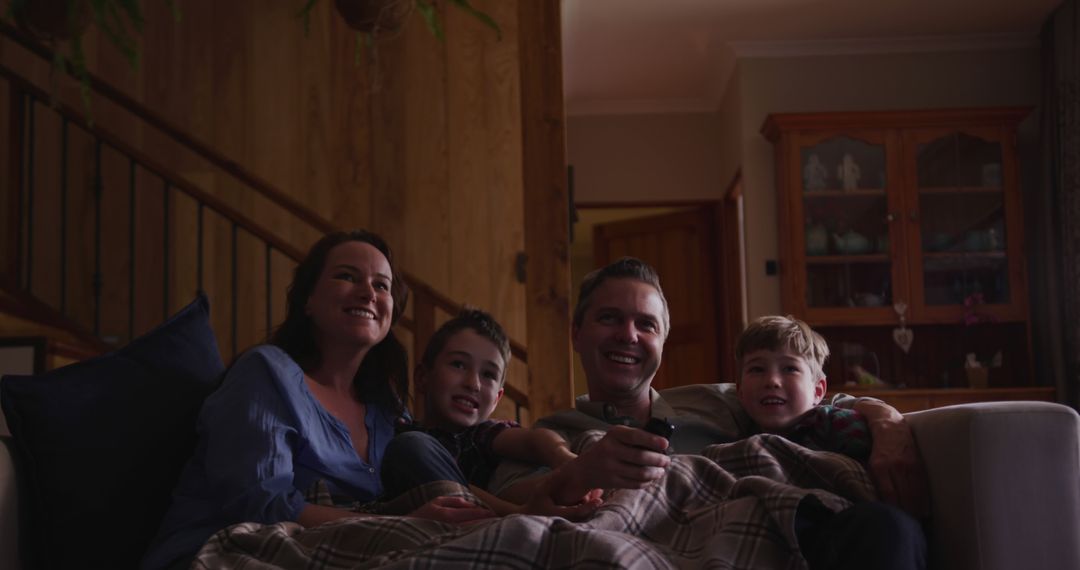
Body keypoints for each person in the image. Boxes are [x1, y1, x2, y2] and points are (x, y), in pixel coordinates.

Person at [489, 257, 930, 560]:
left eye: (646, 324)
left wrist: (889, 424)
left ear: (662, 341)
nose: (629, 335)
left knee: (887, 528)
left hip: (761, 545)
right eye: (609, 318)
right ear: (577, 333)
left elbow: (820, 406)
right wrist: (582, 471)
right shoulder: (547, 435)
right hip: (637, 553)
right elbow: (512, 509)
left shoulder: (721, 399)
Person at [141, 231, 493, 570]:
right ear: (307, 299)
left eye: (381, 285)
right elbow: (262, 505)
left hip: (347, 548)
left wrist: (514, 505)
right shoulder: (265, 373)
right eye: (347, 276)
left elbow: (442, 474)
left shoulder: (386, 407)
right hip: (230, 549)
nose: (368, 293)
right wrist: (406, 523)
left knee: (518, 534)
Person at [735, 315, 926, 569]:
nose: (772, 381)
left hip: (829, 527)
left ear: (818, 390)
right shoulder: (737, 439)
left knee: (888, 524)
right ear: (739, 391)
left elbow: (862, 472)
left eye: (789, 368)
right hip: (764, 535)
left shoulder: (833, 421)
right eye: (757, 369)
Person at [380, 308, 602, 517]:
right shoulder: (395, 432)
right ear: (422, 377)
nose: (473, 383)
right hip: (426, 510)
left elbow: (534, 439)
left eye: (488, 375)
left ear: (497, 398)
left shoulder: (480, 435)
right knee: (411, 446)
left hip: (480, 517)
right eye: (458, 364)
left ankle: (508, 515)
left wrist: (565, 459)